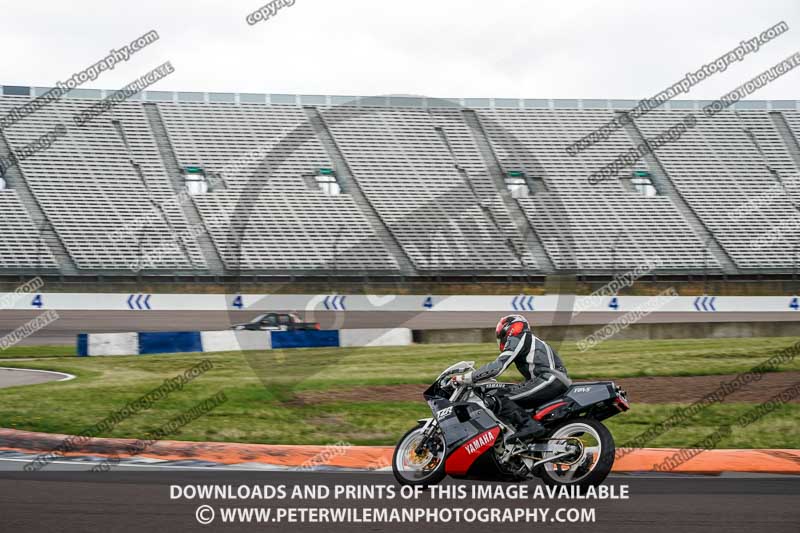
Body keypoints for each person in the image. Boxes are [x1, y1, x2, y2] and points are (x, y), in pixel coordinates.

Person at [450, 314, 571, 441]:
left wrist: (465, 378)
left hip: (549, 379)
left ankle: (529, 427)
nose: (502, 339)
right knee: (508, 393)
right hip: (551, 380)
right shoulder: (531, 340)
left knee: (500, 398)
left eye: (501, 335)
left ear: (508, 329)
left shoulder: (520, 338)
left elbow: (497, 367)